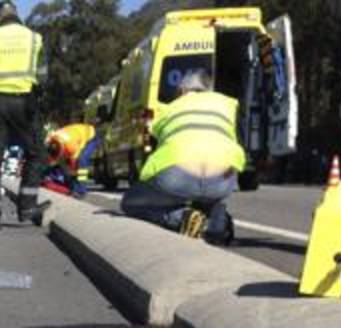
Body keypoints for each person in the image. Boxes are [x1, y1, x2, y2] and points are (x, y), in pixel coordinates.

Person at [120, 70, 244, 239]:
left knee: (131, 203)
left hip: (177, 179)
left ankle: (181, 218)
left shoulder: (169, 108)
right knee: (207, 195)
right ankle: (217, 222)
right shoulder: (228, 105)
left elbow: (154, 134)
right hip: (222, 180)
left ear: (184, 91)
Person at [0, 1, 50, 230]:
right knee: (35, 154)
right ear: (15, 15)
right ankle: (27, 207)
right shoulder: (35, 39)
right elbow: (43, 76)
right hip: (26, 104)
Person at [44, 122, 96, 195]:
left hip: (91, 137)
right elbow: (52, 157)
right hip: (77, 134)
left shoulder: (70, 145)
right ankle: (70, 185)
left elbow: (73, 160)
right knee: (65, 165)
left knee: (82, 161)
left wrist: (72, 172)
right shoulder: (51, 139)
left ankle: (81, 190)